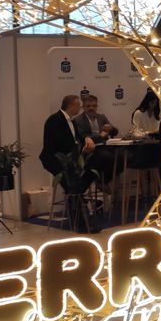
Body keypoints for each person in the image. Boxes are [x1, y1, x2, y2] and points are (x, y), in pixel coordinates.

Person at [40, 94, 97, 232]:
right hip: (55, 160)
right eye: (78, 105)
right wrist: (78, 150)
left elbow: (78, 137)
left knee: (90, 170)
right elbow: (61, 144)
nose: (80, 108)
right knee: (73, 184)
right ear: (71, 105)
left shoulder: (72, 122)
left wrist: (86, 139)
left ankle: (80, 219)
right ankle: (81, 223)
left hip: (69, 160)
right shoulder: (55, 120)